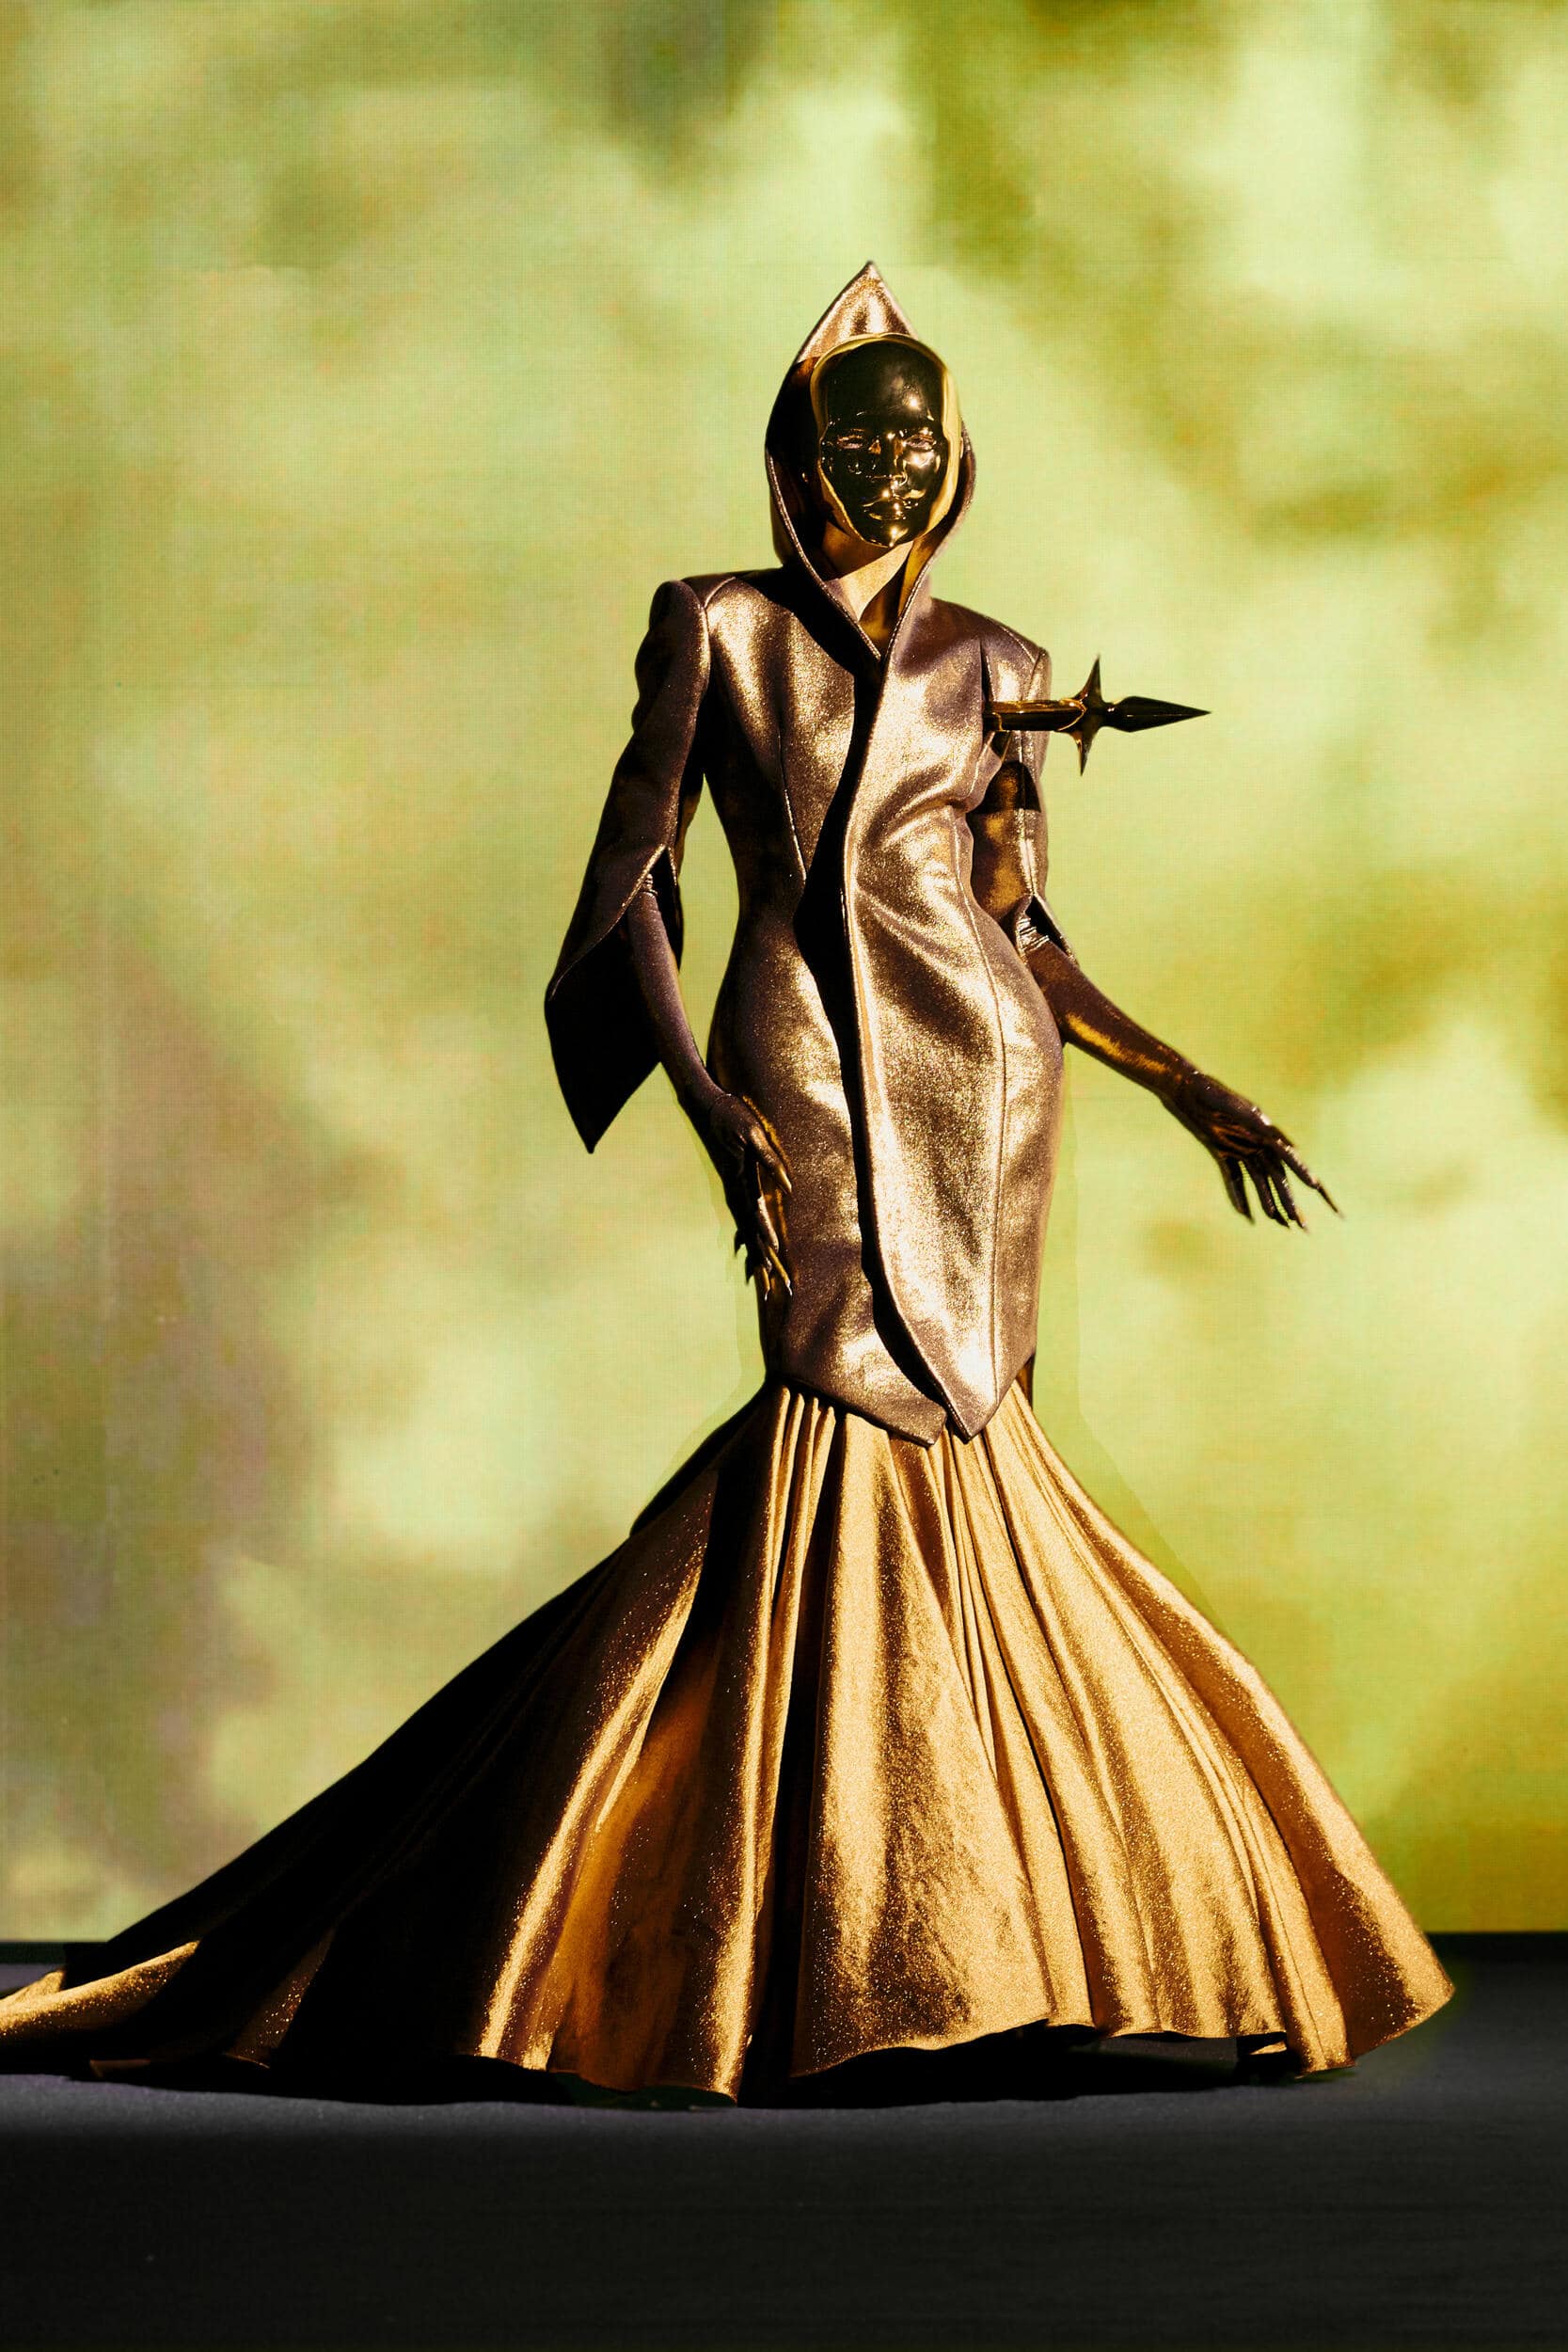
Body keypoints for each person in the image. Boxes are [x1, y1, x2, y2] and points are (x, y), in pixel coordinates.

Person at [0, 264, 1449, 2104]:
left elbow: (1026, 929)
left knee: (969, 1419)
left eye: (922, 439)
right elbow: (637, 876)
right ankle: (778, 1928)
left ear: (958, 457)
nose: (896, 465)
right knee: (838, 1394)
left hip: (982, 1085)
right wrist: (700, 1094)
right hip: (796, 1058)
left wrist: (1185, 1084)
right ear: (800, 453)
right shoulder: (718, 627)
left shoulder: (999, 664)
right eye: (863, 437)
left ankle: (986, 1925)